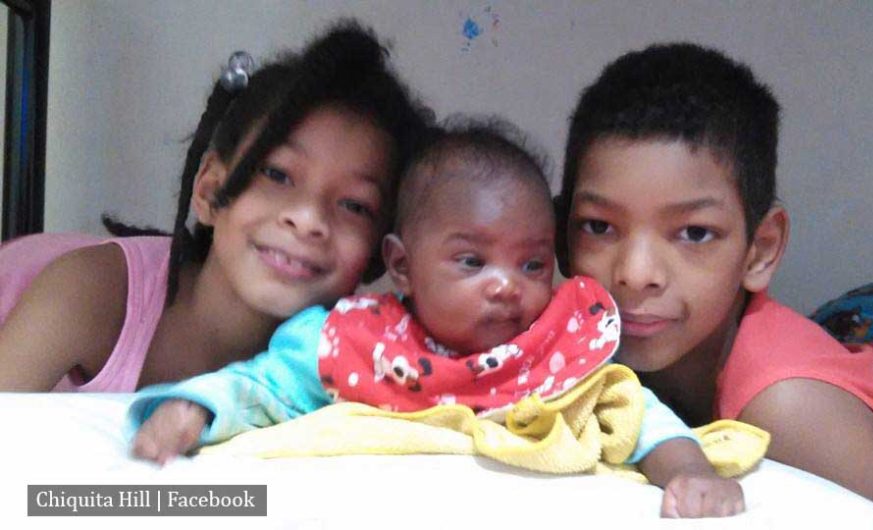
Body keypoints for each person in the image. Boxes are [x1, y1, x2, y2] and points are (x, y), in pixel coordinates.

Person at [130, 120, 745, 518]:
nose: (507, 285)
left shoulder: (555, 347)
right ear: (402, 266)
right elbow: (263, 387)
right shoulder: (354, 342)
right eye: (472, 261)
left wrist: (689, 470)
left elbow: (634, 413)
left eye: (532, 264)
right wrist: (194, 410)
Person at [554, 42, 873, 528]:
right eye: (598, 226)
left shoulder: (791, 412)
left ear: (760, 250)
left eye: (695, 233)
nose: (635, 272)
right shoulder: (581, 341)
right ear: (560, 233)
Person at [0, 21, 430, 392]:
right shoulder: (88, 293)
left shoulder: (359, 362)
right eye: (277, 174)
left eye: (354, 205)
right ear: (208, 191)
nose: (307, 219)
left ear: (379, 250)